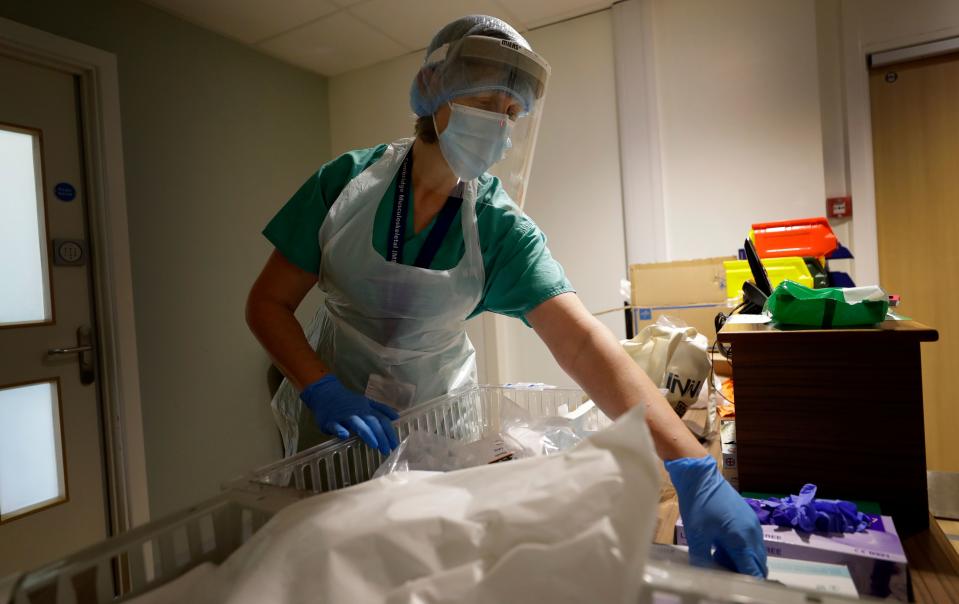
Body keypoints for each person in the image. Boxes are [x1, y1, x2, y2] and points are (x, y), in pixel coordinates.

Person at [246, 15, 767, 578]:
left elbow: (585, 345)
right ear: (434, 90)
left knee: (426, 571)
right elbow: (267, 304)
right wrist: (319, 387)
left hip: (435, 430)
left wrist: (693, 468)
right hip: (336, 427)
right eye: (486, 102)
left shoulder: (497, 227)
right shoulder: (346, 185)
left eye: (512, 113)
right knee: (330, 568)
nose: (499, 124)